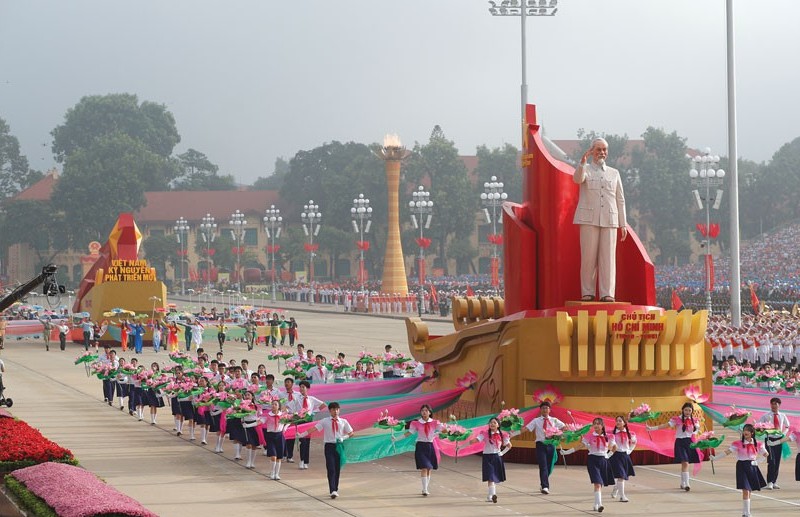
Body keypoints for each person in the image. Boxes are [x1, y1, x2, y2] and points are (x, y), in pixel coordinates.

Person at [573, 137, 627, 302]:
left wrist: (623, 224)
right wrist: (582, 162)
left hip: (610, 219)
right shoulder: (586, 169)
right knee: (588, 258)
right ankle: (587, 292)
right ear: (592, 151)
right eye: (598, 149)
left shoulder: (614, 173)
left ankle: (607, 293)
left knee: (608, 258)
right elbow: (577, 179)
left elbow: (620, 199)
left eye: (604, 149)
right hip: (589, 218)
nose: (601, 153)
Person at [297, 401, 354, 499]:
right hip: (329, 446)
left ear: (339, 410)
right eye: (333, 410)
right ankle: (332, 490)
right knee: (330, 468)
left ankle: (335, 488)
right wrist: (302, 434)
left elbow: (351, 433)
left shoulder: (343, 421)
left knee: (337, 469)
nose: (335, 411)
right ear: (330, 411)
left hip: (339, 446)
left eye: (337, 409)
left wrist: (344, 437)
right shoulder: (325, 421)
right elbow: (313, 428)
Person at [709, 423, 768, 517]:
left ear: (752, 433)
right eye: (744, 430)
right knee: (745, 489)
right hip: (742, 466)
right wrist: (715, 458)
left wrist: (758, 461)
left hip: (752, 466)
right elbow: (727, 452)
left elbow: (766, 454)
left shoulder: (758, 444)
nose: (745, 432)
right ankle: (747, 513)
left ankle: (745, 512)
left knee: (750, 490)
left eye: (748, 430)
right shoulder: (738, 444)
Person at [561, 417, 616, 513]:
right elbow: (580, 446)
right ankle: (600, 505)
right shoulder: (589, 436)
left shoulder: (609, 436)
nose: (596, 425)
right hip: (593, 460)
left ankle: (595, 503)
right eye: (594, 423)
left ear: (602, 425)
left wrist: (608, 455)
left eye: (598, 423)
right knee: (597, 483)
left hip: (603, 460)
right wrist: (566, 452)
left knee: (600, 483)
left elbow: (615, 447)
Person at [647, 402, 700, 490]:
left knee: (686, 464)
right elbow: (665, 425)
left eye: (689, 410)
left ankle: (683, 483)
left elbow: (696, 432)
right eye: (686, 410)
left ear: (692, 411)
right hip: (680, 442)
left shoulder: (695, 420)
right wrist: (652, 428)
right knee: (685, 463)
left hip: (690, 442)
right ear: (683, 410)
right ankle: (687, 484)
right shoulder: (677, 419)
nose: (687, 412)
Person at [394, 404, 444, 496]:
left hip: (430, 446)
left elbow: (444, 431)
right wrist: (397, 439)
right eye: (422, 410)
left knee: (429, 468)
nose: (424, 412)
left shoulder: (435, 423)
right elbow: (409, 433)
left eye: (426, 410)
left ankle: (426, 488)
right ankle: (424, 489)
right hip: (421, 446)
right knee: (424, 467)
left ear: (430, 412)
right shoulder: (416, 423)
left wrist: (451, 431)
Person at [523, 401, 566, 494]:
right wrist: (513, 432)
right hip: (540, 445)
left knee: (549, 466)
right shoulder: (536, 420)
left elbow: (564, 427)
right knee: (543, 465)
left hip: (551, 444)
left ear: (549, 410)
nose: (545, 410)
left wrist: (558, 434)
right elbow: (526, 428)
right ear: (540, 410)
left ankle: (543, 481)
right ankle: (545, 486)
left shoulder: (554, 420)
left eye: (547, 408)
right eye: (543, 408)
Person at [467, 417, 512, 503]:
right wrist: (465, 440)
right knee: (490, 476)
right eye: (491, 422)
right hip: (487, 457)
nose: (492, 424)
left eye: (494, 422)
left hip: (497, 457)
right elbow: (476, 440)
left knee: (493, 477)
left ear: (498, 425)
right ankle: (492, 495)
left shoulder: (502, 434)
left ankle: (490, 495)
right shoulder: (485, 434)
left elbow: (509, 445)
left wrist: (502, 453)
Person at [287, 380, 326, 469]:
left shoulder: (311, 399)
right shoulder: (296, 398)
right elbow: (288, 406)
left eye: (303, 387)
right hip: (300, 421)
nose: (301, 389)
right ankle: (301, 460)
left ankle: (306, 461)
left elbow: (323, 405)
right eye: (300, 387)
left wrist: (313, 412)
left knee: (307, 441)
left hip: (308, 421)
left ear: (307, 388)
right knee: (302, 441)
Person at [758, 396, 791, 489]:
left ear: (779, 405)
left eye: (775, 404)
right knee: (771, 461)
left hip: (779, 439)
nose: (773, 406)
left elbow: (787, 426)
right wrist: (763, 429)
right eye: (772, 404)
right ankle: (769, 482)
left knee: (777, 461)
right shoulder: (766, 415)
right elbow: (758, 425)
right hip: (770, 439)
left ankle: (774, 481)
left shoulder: (782, 415)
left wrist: (783, 433)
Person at [610, 415, 636, 502]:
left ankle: (616, 488)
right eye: (617, 421)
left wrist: (629, 450)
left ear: (624, 423)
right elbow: (612, 443)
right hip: (616, 456)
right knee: (621, 476)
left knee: (623, 476)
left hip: (625, 456)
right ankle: (622, 496)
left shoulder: (630, 434)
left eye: (620, 421)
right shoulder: (613, 434)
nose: (618, 422)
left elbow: (634, 442)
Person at [263, 399, 287, 479]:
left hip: (280, 436)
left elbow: (289, 421)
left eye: (275, 404)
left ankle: (277, 474)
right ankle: (272, 472)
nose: (273, 405)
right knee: (273, 456)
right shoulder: (268, 415)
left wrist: (285, 427)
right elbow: (260, 421)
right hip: (270, 436)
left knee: (279, 457)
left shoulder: (282, 415)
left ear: (279, 407)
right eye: (272, 404)